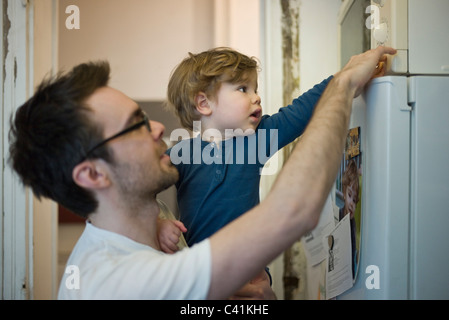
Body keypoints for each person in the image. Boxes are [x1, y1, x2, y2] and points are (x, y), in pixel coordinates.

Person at [8, 46, 396, 299]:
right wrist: (344, 84)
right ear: (92, 174)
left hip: (253, 277)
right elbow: (294, 209)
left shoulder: (136, 253)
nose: (158, 128)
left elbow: (299, 113)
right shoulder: (118, 283)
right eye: (136, 125)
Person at [339, 158, 360, 279]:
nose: (352, 203)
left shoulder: (353, 223)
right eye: (349, 195)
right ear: (343, 193)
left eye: (355, 199)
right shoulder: (340, 219)